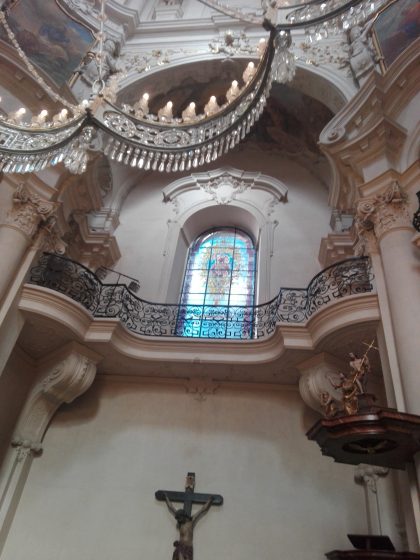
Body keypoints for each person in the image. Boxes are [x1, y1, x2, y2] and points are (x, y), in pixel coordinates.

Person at [164, 493, 214, 560]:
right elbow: (171, 507)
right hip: (180, 546)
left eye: (179, 518)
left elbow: (202, 509)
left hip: (188, 547)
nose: (179, 520)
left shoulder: (191, 521)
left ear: (183, 516)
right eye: (178, 519)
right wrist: (166, 497)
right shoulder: (180, 523)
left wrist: (210, 500)